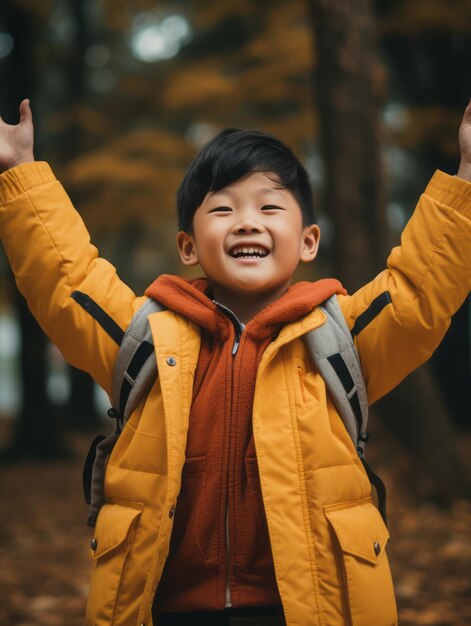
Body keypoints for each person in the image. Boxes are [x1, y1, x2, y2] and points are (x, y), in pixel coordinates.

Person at [0, 99, 470, 626]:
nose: (247, 223)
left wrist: (468, 181)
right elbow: (69, 284)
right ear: (188, 245)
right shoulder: (146, 339)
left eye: (270, 208)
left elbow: (417, 288)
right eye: (222, 209)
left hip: (307, 608)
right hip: (169, 609)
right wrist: (19, 173)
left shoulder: (341, 339)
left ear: (309, 240)